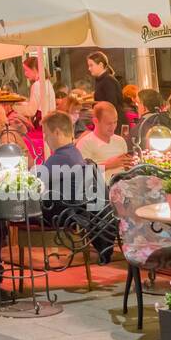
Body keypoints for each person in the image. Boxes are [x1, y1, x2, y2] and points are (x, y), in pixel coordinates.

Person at [40, 110, 115, 262]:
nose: (45, 138)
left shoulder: (61, 157)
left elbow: (34, 182)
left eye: (46, 133)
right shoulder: (74, 153)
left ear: (57, 132)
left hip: (61, 216)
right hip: (77, 213)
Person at [75, 101, 132, 179]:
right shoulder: (85, 143)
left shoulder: (120, 141)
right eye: (108, 124)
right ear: (95, 121)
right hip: (99, 188)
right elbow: (81, 174)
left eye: (115, 122)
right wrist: (108, 165)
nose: (113, 127)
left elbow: (126, 169)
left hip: (122, 185)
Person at [13, 55, 55, 125]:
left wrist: (13, 108)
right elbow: (39, 104)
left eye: (26, 70)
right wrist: (23, 102)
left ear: (34, 69)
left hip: (42, 125)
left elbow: (31, 111)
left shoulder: (37, 85)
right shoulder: (47, 82)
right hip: (50, 122)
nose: (25, 74)